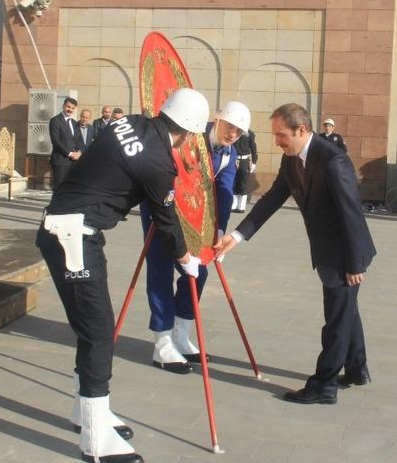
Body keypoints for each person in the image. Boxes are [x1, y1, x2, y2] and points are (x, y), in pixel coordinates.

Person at [36, 88, 210, 463]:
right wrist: (186, 259)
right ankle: (95, 440)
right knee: (99, 332)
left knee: (91, 330)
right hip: (73, 235)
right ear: (190, 133)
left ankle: (86, 413)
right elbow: (166, 220)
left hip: (65, 228)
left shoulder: (129, 122)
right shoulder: (159, 161)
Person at [216, 103, 376, 405]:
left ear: (301, 130)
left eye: (281, 135)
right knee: (346, 312)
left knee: (336, 319)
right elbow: (273, 198)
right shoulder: (291, 160)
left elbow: (352, 215)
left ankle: (324, 386)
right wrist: (237, 236)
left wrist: (355, 264)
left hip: (345, 253)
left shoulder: (333, 161)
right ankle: (357, 369)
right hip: (327, 250)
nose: (277, 141)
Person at [141, 101, 249, 374]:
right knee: (161, 268)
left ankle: (181, 332)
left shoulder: (229, 153)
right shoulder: (192, 135)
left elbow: (223, 193)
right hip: (163, 207)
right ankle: (162, 342)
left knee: (198, 273)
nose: (232, 134)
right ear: (219, 119)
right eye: (230, 127)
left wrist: (220, 231)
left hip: (196, 219)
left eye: (239, 131)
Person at [48, 97, 84, 190]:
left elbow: (79, 140)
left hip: (74, 162)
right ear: (63, 106)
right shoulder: (55, 121)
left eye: (72, 108)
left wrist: (79, 152)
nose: (70, 109)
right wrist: (70, 153)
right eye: (68, 106)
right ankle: (56, 204)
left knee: (70, 189)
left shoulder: (75, 123)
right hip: (61, 161)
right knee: (59, 188)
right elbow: (56, 141)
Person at [232, 128, 258, 213]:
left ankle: (241, 207)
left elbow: (253, 148)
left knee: (243, 183)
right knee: (234, 182)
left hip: (244, 161)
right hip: (234, 160)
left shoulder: (249, 133)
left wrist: (254, 162)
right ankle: (234, 205)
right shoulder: (234, 131)